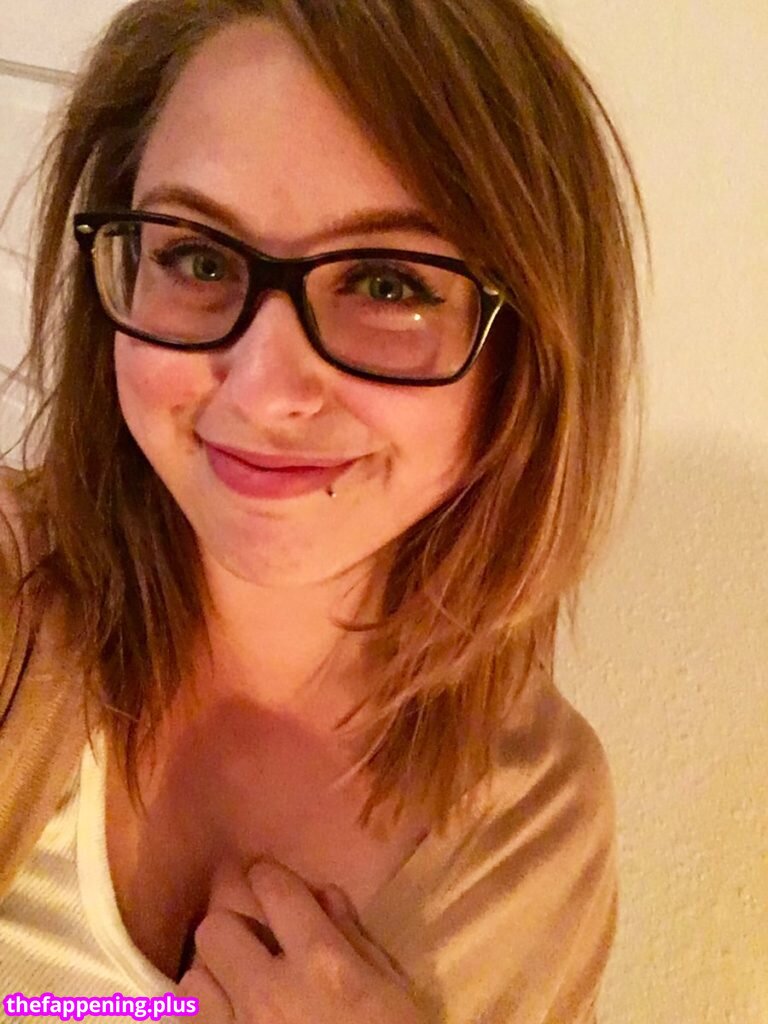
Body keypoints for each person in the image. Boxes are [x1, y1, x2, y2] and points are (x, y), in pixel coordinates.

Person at [0, 0, 646, 1021]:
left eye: (387, 282)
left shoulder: (536, 828)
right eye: (198, 260)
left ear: (526, 350)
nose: (262, 391)